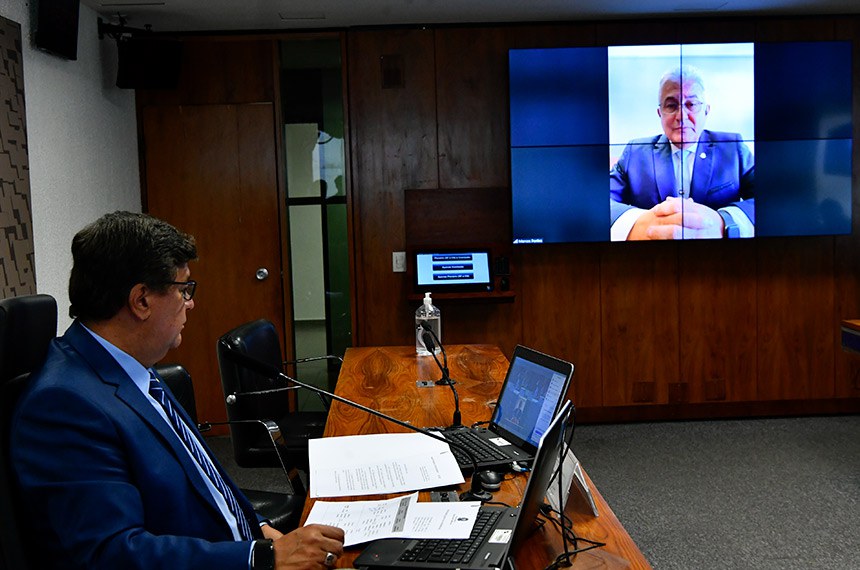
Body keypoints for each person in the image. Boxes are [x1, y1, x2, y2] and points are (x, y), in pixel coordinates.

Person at [10, 211, 345, 569]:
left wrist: (259, 529)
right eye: (184, 289)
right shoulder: (65, 405)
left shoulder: (129, 364)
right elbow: (110, 555)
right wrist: (259, 558)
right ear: (141, 301)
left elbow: (204, 477)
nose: (191, 303)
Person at [609, 65, 754, 240]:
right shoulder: (635, 153)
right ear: (659, 113)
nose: (682, 116)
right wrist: (640, 224)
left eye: (691, 104)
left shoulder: (733, 148)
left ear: (706, 110)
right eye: (671, 105)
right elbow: (599, 202)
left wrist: (724, 222)